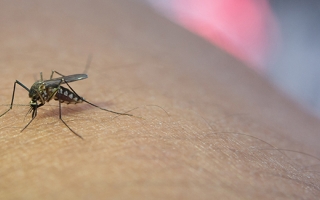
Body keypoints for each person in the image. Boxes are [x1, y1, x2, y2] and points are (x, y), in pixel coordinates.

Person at [0, 0, 319, 199]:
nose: (35, 104)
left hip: (64, 88)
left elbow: (51, 89)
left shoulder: (46, 93)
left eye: (33, 102)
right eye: (34, 101)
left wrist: (65, 98)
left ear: (37, 98)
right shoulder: (34, 92)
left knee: (57, 86)